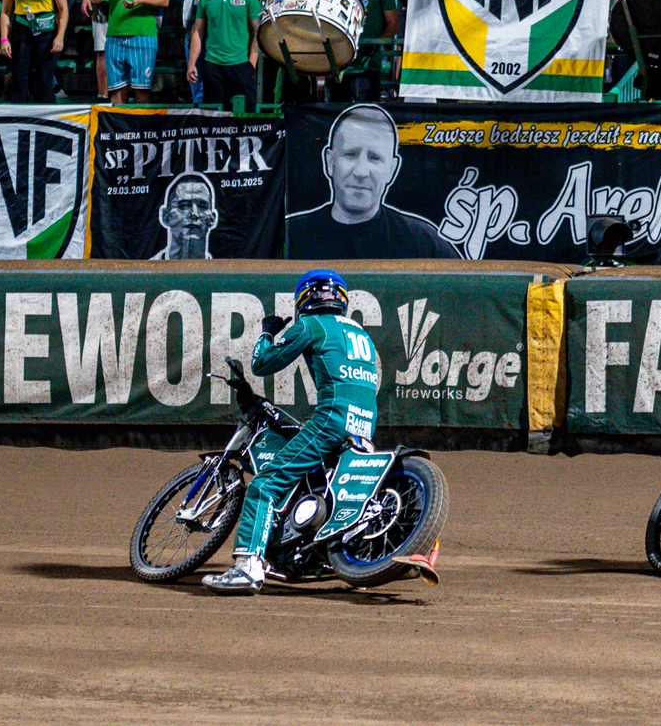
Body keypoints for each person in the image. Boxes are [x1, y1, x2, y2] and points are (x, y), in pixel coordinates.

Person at [204, 270, 385, 595]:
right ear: (341, 298)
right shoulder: (362, 335)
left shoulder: (312, 326)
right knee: (334, 490)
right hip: (365, 424)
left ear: (305, 298)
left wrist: (267, 333)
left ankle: (247, 568)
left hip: (332, 418)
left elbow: (262, 363)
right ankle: (349, 562)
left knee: (264, 485)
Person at [288, 103, 458, 259]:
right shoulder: (290, 236)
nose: (361, 172)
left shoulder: (422, 241)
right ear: (330, 161)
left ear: (392, 169)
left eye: (375, 158)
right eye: (350, 154)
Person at [188, 0, 264, 112]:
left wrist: (251, 64)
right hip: (213, 65)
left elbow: (258, 31)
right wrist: (192, 63)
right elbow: (197, 33)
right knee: (215, 119)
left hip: (241, 64)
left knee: (245, 115)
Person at [0, 0, 69, 104]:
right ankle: (18, 123)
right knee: (20, 80)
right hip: (21, 31)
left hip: (46, 32)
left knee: (45, 81)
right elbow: (5, 12)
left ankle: (47, 126)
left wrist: (60, 36)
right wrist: (4, 39)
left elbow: (63, 9)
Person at [150, 173, 219, 261]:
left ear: (213, 218)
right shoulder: (145, 272)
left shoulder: (225, 272)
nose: (194, 214)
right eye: (183, 205)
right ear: (166, 216)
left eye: (202, 206)